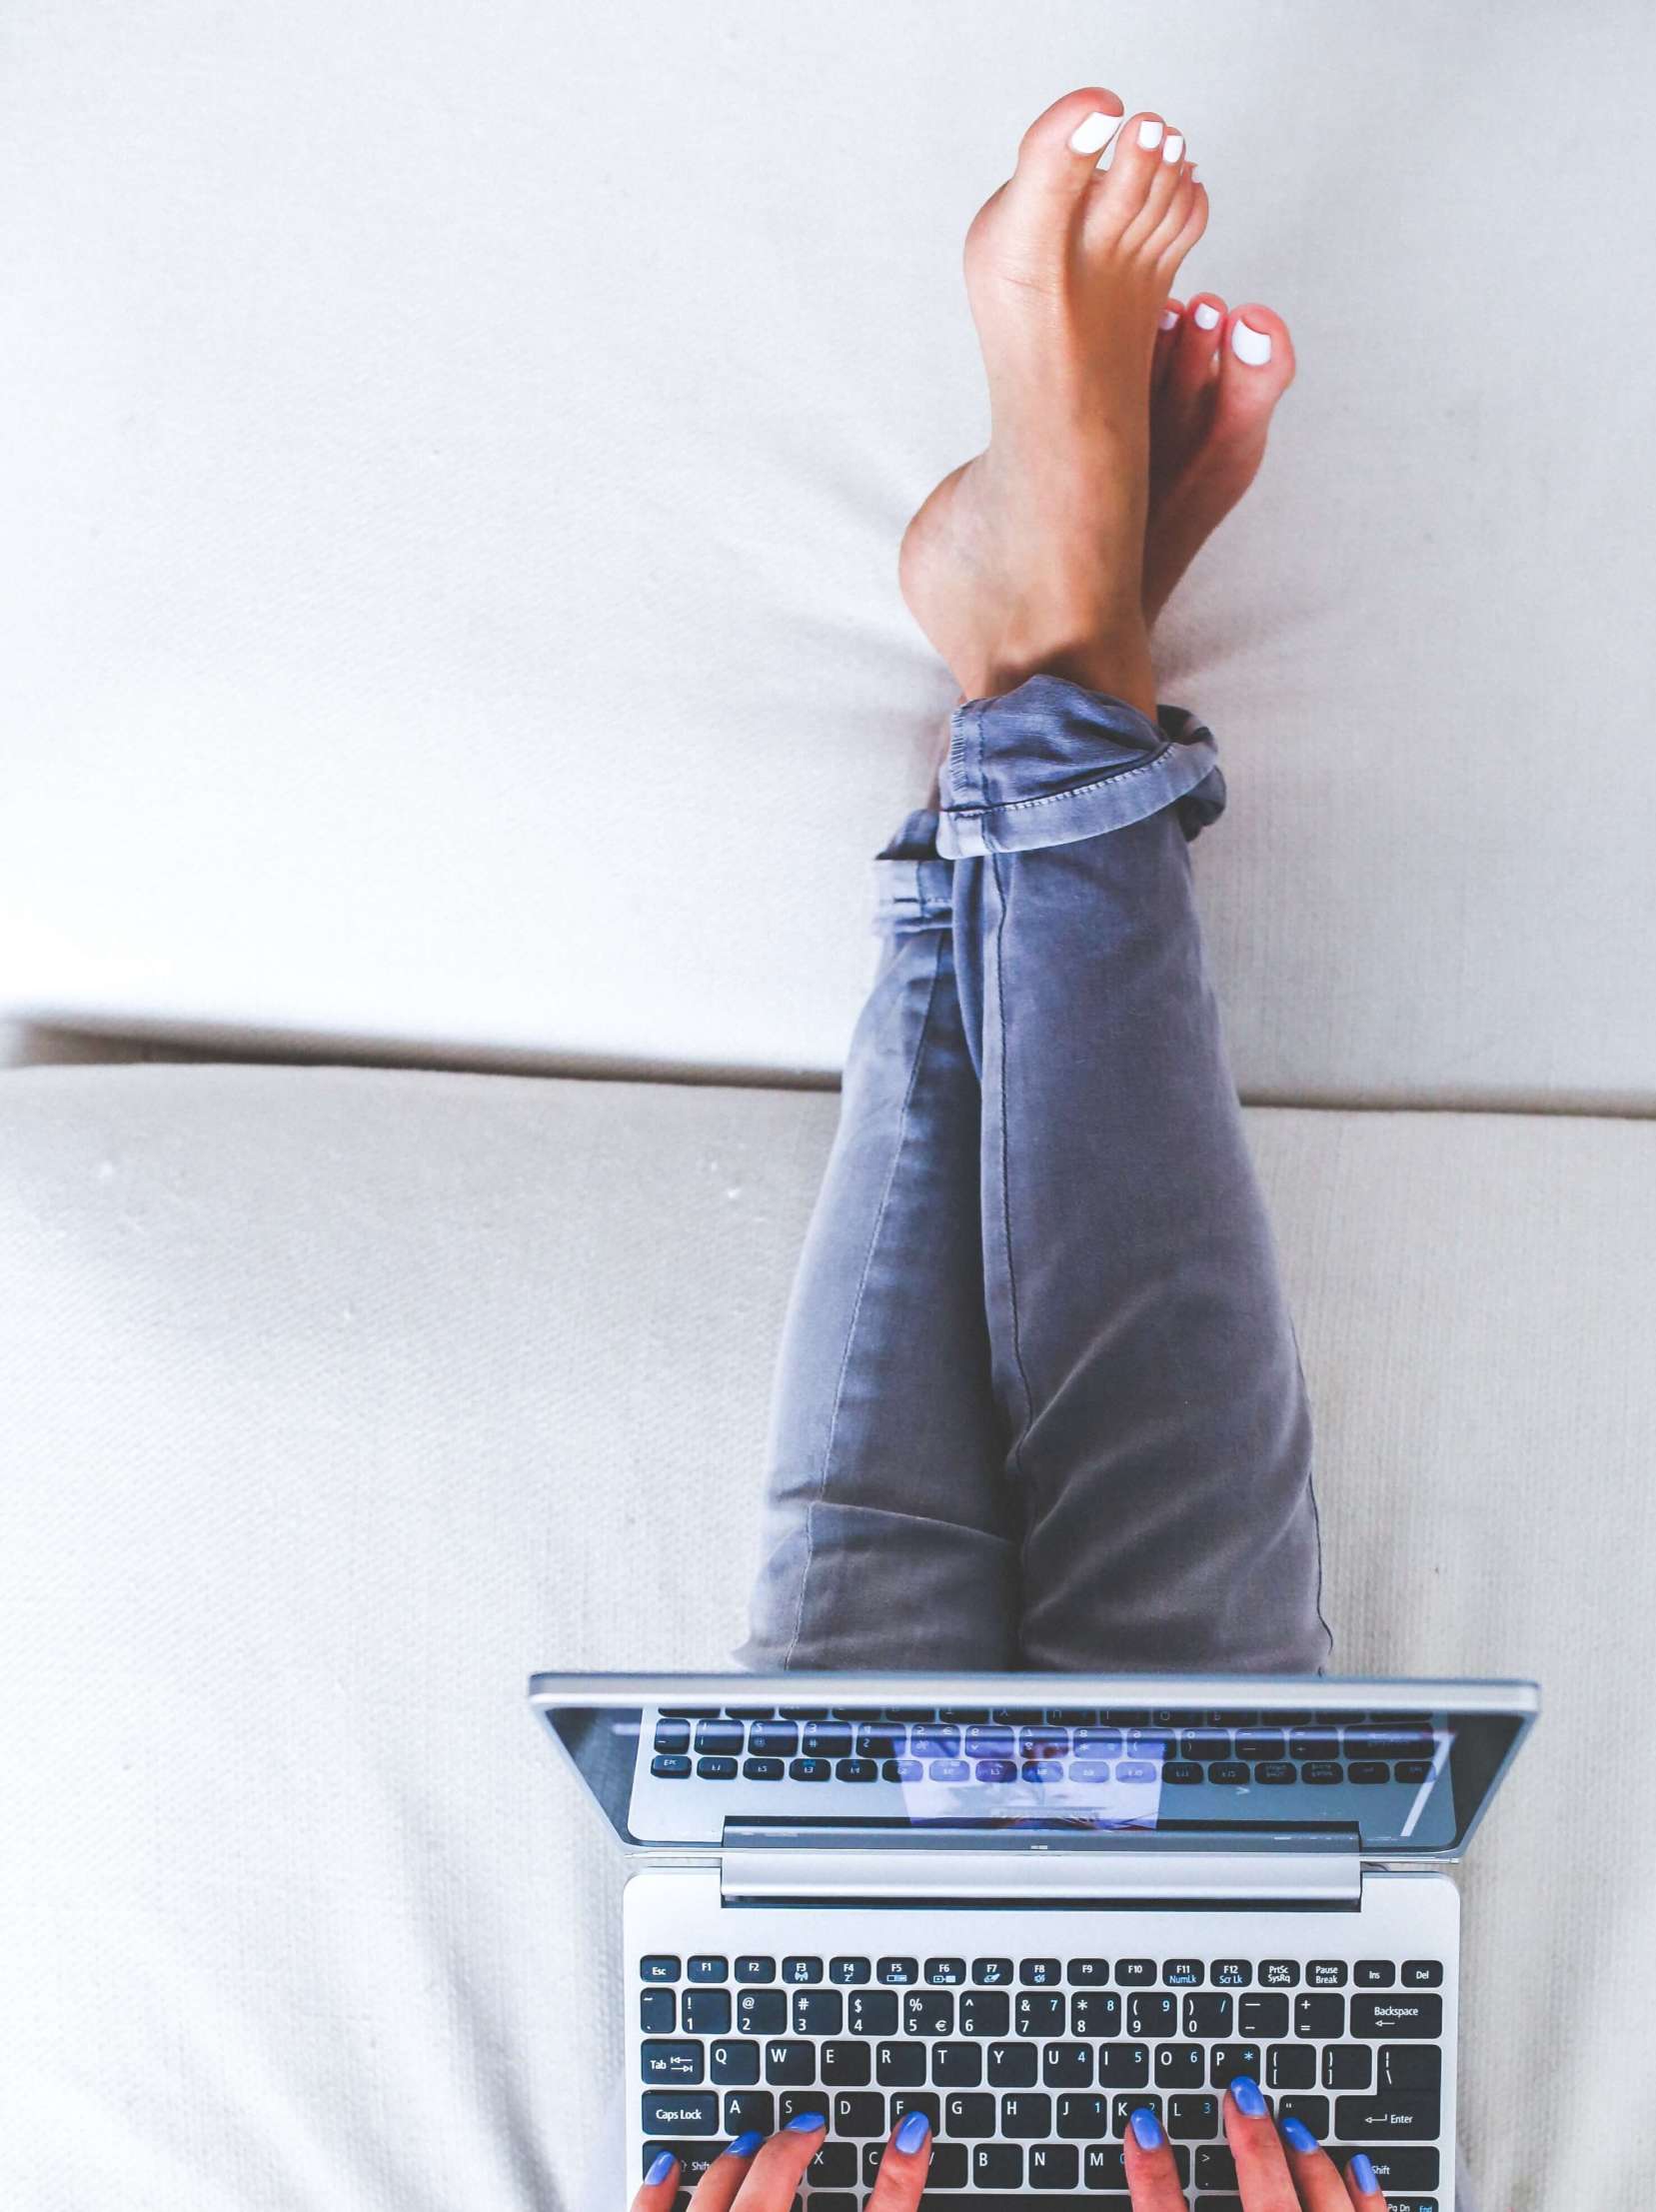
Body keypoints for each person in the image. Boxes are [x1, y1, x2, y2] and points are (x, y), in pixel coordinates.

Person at [611, 83, 1405, 2212]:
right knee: (1187, 1682)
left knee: (866, 1707)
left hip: (858, 2121)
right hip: (1192, 2096)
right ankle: (1040, 636)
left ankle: (1057, 640)